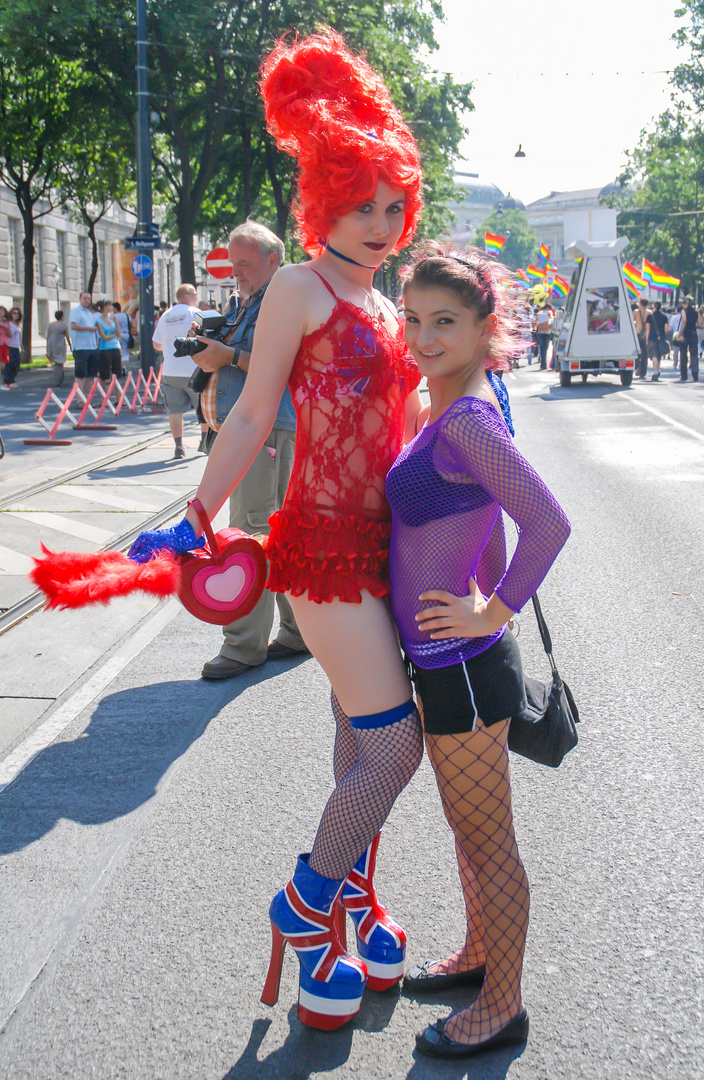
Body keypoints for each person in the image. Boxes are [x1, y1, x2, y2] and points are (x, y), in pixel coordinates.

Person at [129, 29, 425, 1032]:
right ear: (322, 198)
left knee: (356, 744)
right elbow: (253, 412)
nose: (382, 223)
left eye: (394, 206)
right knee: (394, 752)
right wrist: (199, 510)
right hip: (325, 552)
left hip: (388, 548)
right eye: (362, 203)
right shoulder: (299, 287)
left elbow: (406, 430)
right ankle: (305, 910)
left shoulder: (384, 301)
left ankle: (357, 905)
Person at [385, 245, 570, 1059]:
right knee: (470, 832)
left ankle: (503, 1006)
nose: (423, 336)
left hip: (460, 665)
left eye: (445, 323)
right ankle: (476, 957)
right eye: (414, 319)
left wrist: (491, 607)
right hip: (445, 661)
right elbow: (479, 521)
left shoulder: (466, 417)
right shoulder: (449, 402)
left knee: (488, 838)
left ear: (483, 327)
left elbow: (550, 521)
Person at [195, 220, 308, 678]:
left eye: (244, 263)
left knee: (249, 533)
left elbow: (288, 365)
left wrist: (227, 356)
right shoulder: (248, 302)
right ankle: (298, 632)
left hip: (266, 432)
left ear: (272, 261)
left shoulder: (280, 300)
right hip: (250, 431)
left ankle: (243, 647)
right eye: (232, 262)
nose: (235, 271)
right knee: (273, 529)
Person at [151, 283, 209, 459]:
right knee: (202, 408)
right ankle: (204, 441)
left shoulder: (165, 315)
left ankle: (178, 446)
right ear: (187, 296)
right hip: (193, 369)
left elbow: (156, 344)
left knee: (174, 410)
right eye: (195, 294)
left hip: (170, 370)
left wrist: (169, 346)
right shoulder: (194, 313)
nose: (196, 297)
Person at [68, 292, 99, 397]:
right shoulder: (76, 311)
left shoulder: (89, 313)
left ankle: (86, 398)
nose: (87, 300)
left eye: (89, 299)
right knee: (80, 375)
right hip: (80, 347)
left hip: (92, 346)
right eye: (85, 298)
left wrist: (96, 344)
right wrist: (89, 328)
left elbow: (94, 329)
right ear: (80, 299)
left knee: (90, 375)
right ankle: (80, 400)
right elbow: (73, 325)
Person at [94, 299, 122, 383]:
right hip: (105, 348)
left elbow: (119, 334)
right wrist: (113, 335)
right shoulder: (99, 320)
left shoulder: (112, 319)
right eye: (109, 305)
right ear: (104, 307)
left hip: (116, 347)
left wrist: (116, 323)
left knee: (117, 374)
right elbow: (104, 337)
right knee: (104, 375)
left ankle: (118, 396)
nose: (111, 307)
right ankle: (104, 395)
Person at [46, 310, 71, 387]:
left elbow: (48, 335)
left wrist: (48, 345)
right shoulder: (63, 325)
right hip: (60, 343)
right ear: (62, 316)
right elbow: (67, 336)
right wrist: (70, 345)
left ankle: (60, 377)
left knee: (57, 361)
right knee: (60, 361)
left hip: (52, 342)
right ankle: (57, 379)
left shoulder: (50, 325)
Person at [645, 300, 668, 381]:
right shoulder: (664, 317)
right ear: (660, 307)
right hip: (661, 337)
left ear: (654, 307)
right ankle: (657, 371)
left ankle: (655, 372)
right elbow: (666, 329)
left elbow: (647, 328)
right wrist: (663, 336)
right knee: (659, 355)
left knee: (653, 355)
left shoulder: (650, 316)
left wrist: (647, 339)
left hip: (652, 337)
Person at [678, 296, 699, 382]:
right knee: (694, 355)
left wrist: (680, 333)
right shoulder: (695, 312)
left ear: (686, 304)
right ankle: (695, 374)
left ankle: (684, 375)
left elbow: (684, 321)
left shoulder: (684, 311)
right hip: (693, 333)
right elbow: (698, 323)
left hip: (685, 334)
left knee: (683, 355)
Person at [112, 301, 132, 369]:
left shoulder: (113, 317)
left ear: (115, 308)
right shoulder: (126, 315)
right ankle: (124, 367)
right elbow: (131, 325)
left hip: (116, 336)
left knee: (117, 352)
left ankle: (117, 366)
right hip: (126, 335)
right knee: (125, 352)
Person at [533, 301, 552, 369]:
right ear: (547, 308)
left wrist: (536, 327)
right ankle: (544, 363)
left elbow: (535, 321)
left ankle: (543, 363)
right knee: (545, 349)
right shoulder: (549, 313)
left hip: (540, 332)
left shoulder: (539, 313)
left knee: (542, 348)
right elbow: (551, 321)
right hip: (547, 332)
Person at [633, 297, 648, 378]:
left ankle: (637, 366)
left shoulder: (636, 311)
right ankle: (643, 371)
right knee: (645, 353)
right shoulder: (649, 312)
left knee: (637, 352)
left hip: (638, 333)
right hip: (645, 334)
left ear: (640, 303)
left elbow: (632, 320)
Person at [0, 306, 9, 388]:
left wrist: (7, 328)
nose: (1, 313)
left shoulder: (7, 323)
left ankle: (2, 383)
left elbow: (10, 335)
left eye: (3, 311)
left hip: (5, 345)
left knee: (3, 366)